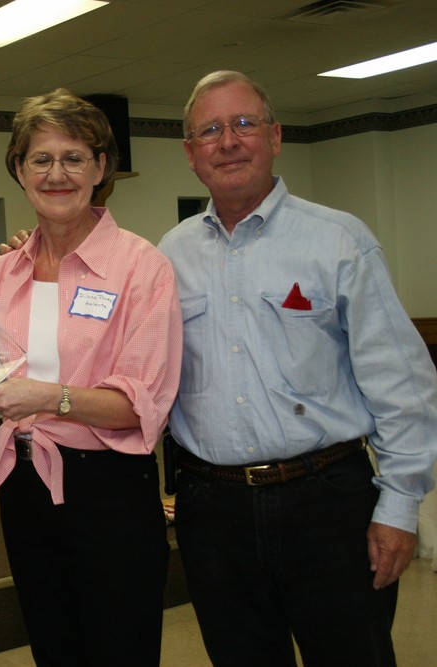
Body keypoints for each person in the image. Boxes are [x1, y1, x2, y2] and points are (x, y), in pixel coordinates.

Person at [157, 70, 437, 666]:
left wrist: (398, 506)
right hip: (214, 512)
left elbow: (403, 386)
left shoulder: (338, 241)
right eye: (209, 130)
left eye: (243, 124)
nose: (228, 141)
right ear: (189, 154)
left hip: (327, 504)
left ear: (275, 135)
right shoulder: (168, 256)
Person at [0, 88, 183, 666]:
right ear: (19, 170)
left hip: (109, 491)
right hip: (25, 485)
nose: (57, 173)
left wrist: (50, 398)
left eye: (74, 157)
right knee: (53, 645)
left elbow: (140, 407)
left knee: (120, 648)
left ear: (101, 167)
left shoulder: (143, 268)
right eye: (40, 159)